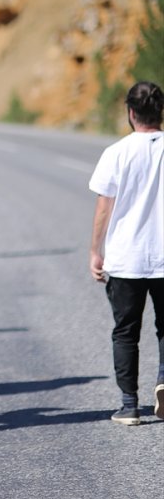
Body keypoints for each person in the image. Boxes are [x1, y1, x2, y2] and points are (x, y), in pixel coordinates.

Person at [88, 81, 164, 425]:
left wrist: (95, 251)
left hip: (126, 258)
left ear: (130, 113)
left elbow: (105, 207)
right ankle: (163, 380)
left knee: (125, 331)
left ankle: (129, 404)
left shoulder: (117, 152)